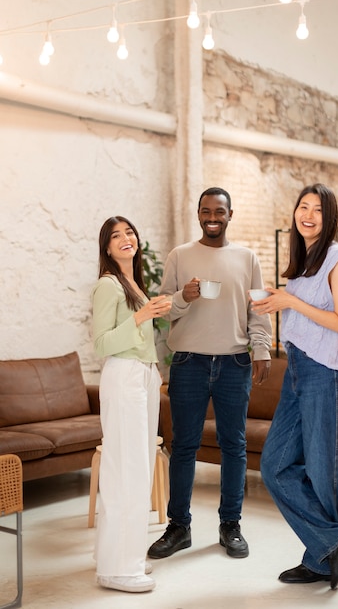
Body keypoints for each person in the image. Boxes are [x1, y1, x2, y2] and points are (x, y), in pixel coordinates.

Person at [147, 186, 272, 560]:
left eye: (219, 211)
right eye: (206, 211)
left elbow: (259, 309)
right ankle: (178, 526)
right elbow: (163, 309)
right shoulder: (179, 256)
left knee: (234, 447)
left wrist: (262, 349)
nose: (212, 218)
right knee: (183, 446)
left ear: (230, 214)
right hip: (188, 362)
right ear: (198, 213)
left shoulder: (247, 258)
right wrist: (183, 296)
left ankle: (230, 525)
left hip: (234, 362)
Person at [251, 184, 338, 590]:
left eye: (317, 209)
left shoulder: (337, 257)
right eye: (302, 207)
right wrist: (276, 302)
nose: (308, 214)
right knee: (274, 465)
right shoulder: (302, 263)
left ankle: (322, 558)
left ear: (328, 216)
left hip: (326, 372)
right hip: (297, 369)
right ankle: (330, 544)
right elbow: (304, 314)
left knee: (322, 470)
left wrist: (291, 303)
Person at [92, 216, 172, 593]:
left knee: (137, 469)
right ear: (106, 248)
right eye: (115, 236)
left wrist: (154, 372)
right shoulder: (108, 285)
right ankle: (117, 568)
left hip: (141, 376)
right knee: (126, 470)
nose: (126, 238)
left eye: (130, 232)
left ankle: (123, 557)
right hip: (123, 377)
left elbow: (139, 338)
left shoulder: (133, 285)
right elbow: (101, 344)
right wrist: (141, 316)